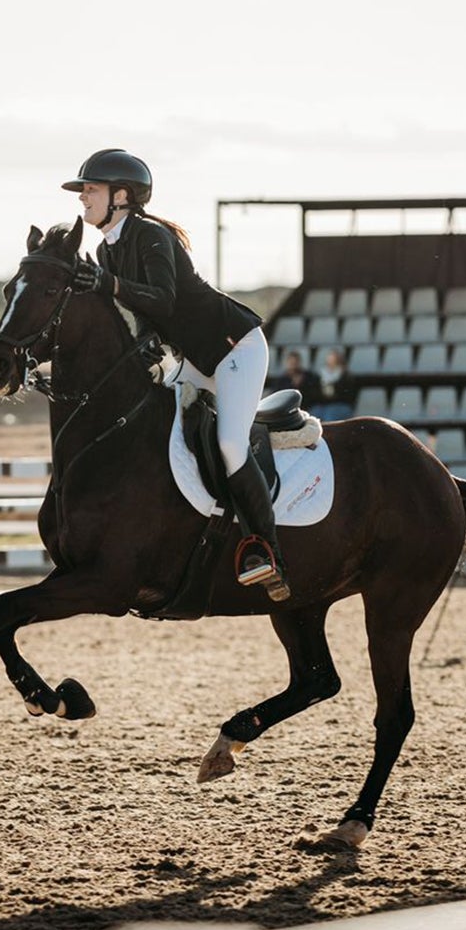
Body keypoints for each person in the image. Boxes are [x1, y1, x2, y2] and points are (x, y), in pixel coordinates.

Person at [62, 148, 288, 598]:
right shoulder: (107, 250)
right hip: (190, 358)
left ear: (121, 196)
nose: (83, 197)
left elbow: (163, 298)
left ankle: (265, 549)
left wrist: (109, 285)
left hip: (232, 347)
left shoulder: (151, 235)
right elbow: (145, 317)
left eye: (91, 189)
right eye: (83, 190)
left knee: (228, 441)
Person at [308, 347, 356, 421]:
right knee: (313, 415)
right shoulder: (320, 374)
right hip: (323, 404)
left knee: (330, 415)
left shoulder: (345, 375)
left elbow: (348, 395)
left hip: (340, 404)